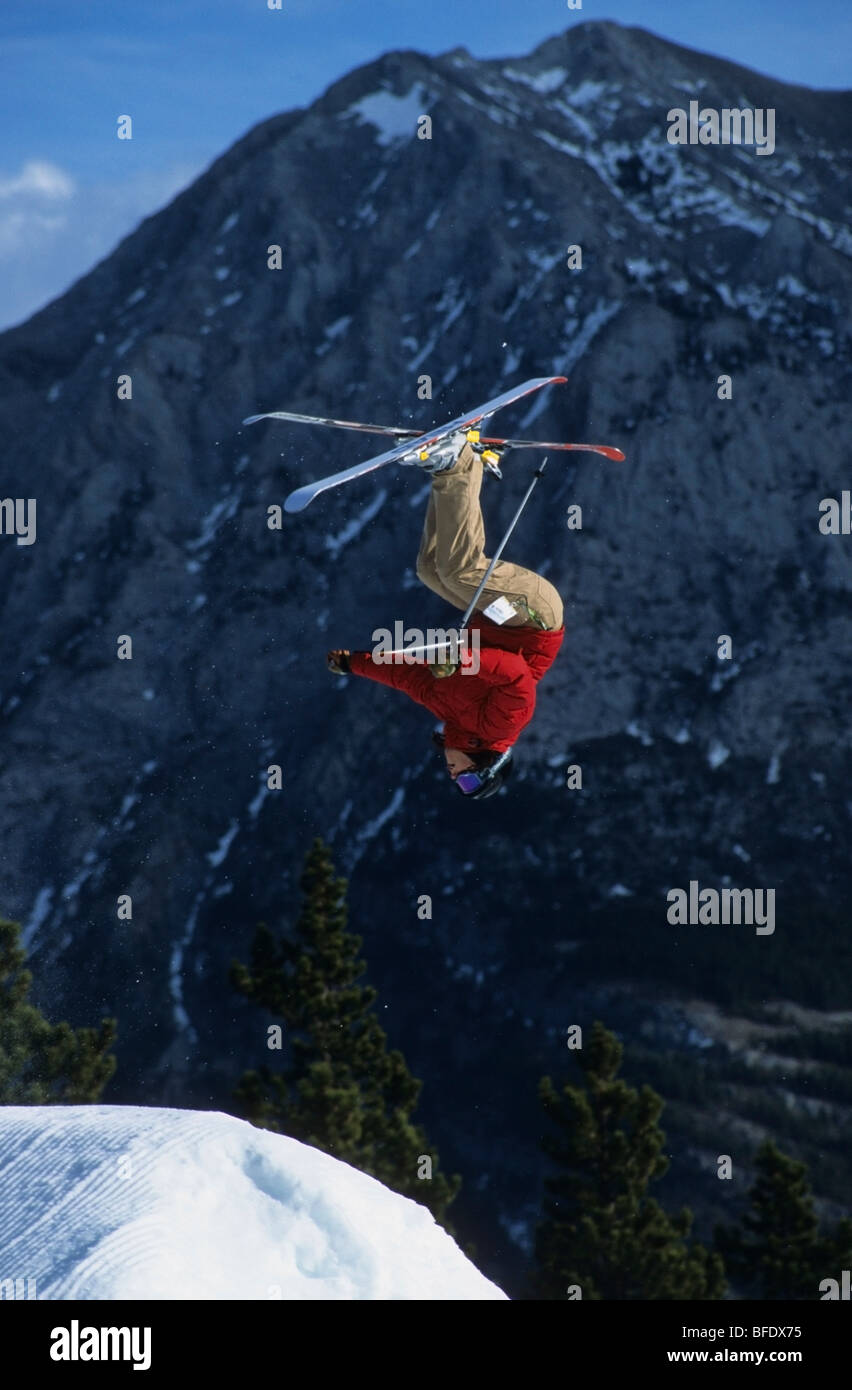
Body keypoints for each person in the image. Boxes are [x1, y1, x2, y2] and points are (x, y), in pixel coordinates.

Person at [327, 431, 564, 798]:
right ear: (488, 764)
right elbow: (517, 677)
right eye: (469, 779)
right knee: (461, 571)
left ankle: (450, 469)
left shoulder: (451, 712)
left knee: (430, 570)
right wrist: (460, 660)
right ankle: (458, 462)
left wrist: (354, 663)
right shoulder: (502, 728)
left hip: (497, 616)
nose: (456, 777)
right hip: (534, 617)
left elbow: (407, 677)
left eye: (459, 784)